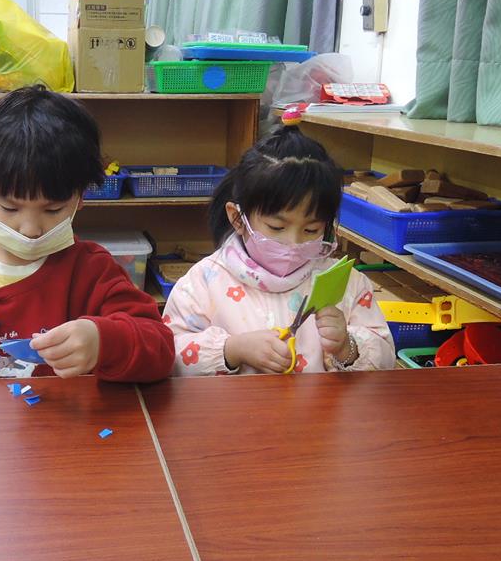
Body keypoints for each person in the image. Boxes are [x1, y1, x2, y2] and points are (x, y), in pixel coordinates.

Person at [0, 86, 174, 382]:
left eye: (53, 210)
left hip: (66, 412)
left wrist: (103, 340)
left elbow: (160, 347)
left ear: (80, 196)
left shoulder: (93, 270)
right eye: (9, 208)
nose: (30, 230)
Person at [164, 125, 394, 375]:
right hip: (238, 403)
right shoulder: (203, 283)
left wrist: (347, 347)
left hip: (321, 402)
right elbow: (168, 355)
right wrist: (231, 350)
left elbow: (386, 361)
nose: (294, 242)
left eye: (311, 230)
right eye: (276, 227)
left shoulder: (346, 284)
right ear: (238, 218)